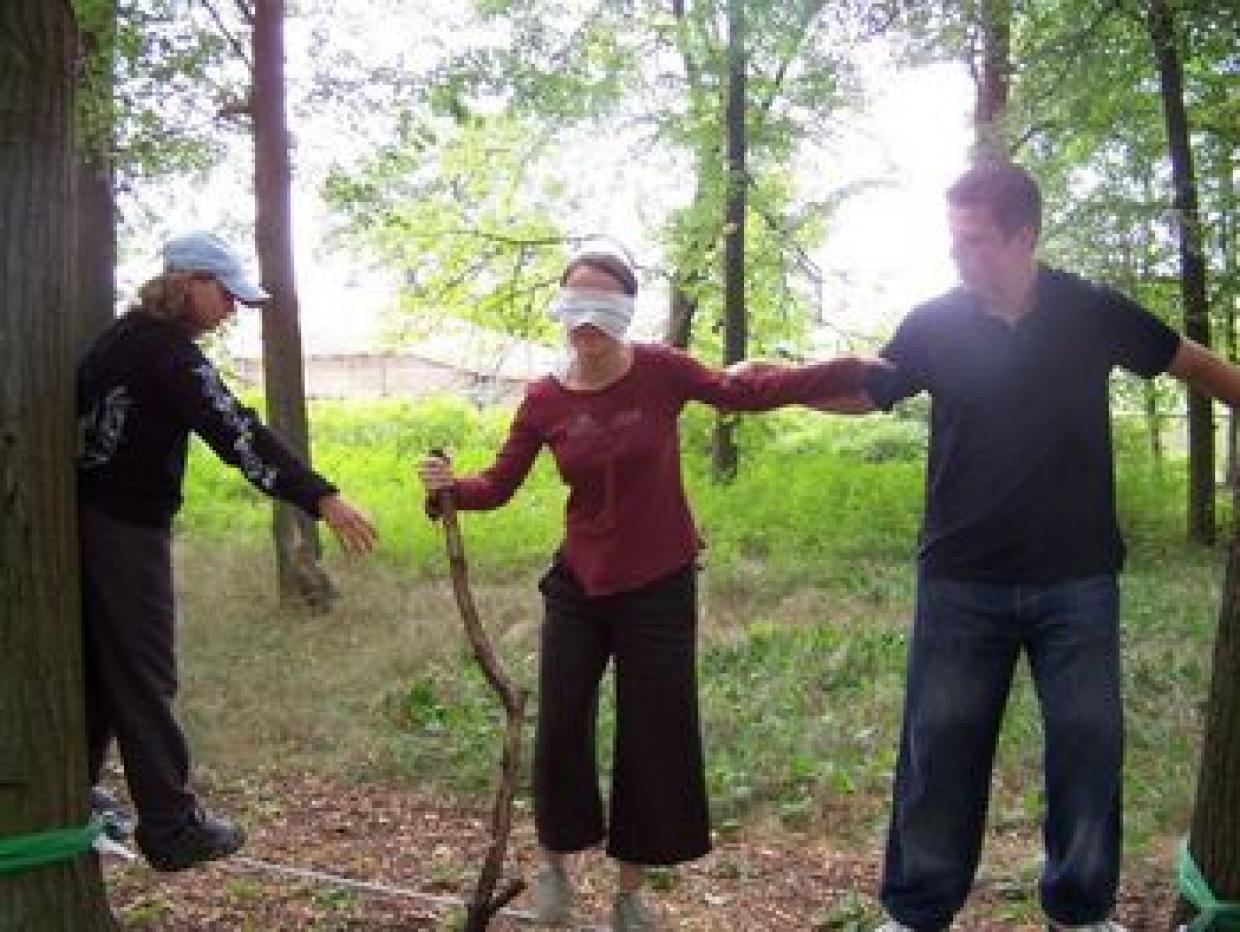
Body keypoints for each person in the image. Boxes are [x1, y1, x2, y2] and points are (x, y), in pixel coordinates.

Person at [812, 163, 1240, 932]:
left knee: (1088, 749)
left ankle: (1080, 911)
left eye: (972, 242)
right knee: (939, 752)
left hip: (1077, 580)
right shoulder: (935, 323)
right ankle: (916, 913)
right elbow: (865, 391)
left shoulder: (1091, 309)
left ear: (1024, 236)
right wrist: (761, 386)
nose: (958, 257)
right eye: (952, 241)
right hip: (960, 578)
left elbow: (1190, 362)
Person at [417, 245, 877, 930]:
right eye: (576, 305)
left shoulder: (661, 370)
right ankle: (553, 872)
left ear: (626, 313)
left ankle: (632, 894)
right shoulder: (544, 396)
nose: (588, 321)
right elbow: (499, 483)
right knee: (563, 721)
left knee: (652, 731)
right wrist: (450, 491)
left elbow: (745, 392)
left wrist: (855, 372)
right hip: (580, 581)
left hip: (659, 580)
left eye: (603, 306)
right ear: (561, 312)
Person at [77, 231, 377, 871]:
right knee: (144, 670)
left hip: (92, 522)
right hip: (124, 529)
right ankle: (171, 824)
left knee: (105, 666)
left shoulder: (118, 341)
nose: (232, 311)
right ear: (188, 283)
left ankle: (72, 787)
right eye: (226, 295)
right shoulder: (168, 355)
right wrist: (320, 496)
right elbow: (236, 431)